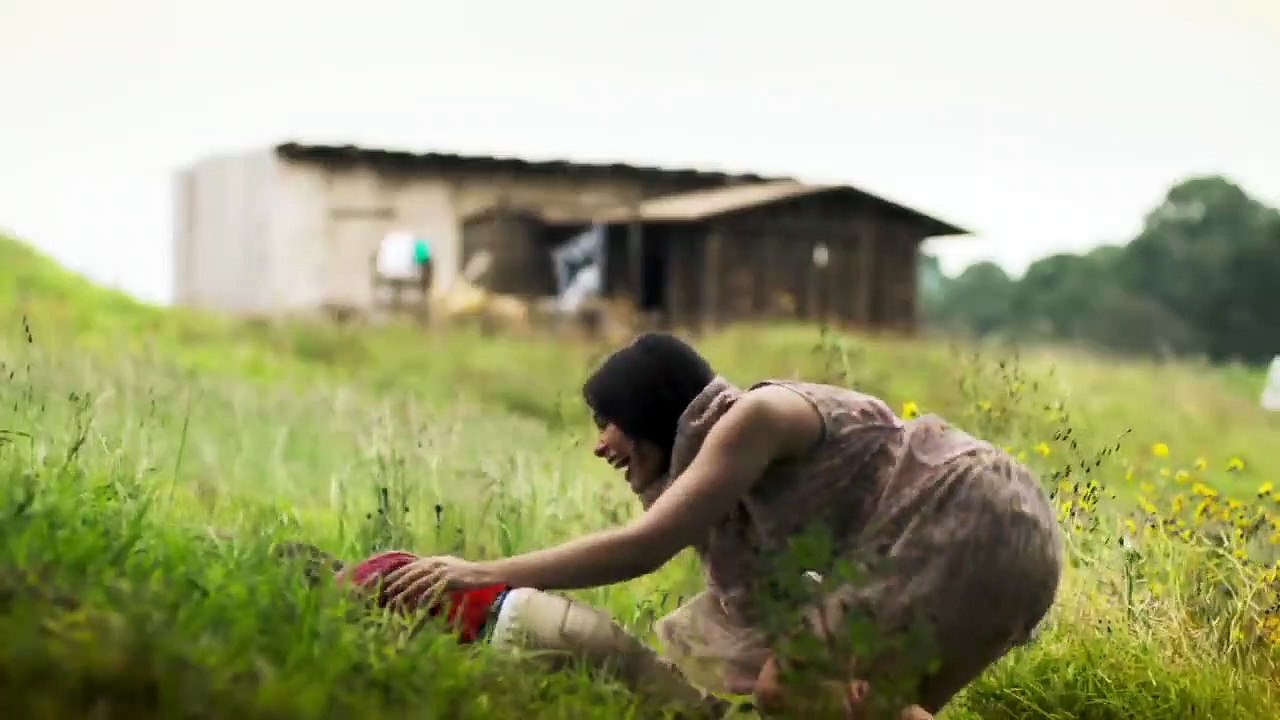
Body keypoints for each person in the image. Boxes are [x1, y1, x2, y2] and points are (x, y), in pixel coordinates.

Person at [382, 332, 1064, 718]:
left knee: (791, 687)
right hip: (1006, 541)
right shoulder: (741, 478)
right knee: (861, 708)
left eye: (607, 422)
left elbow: (647, 547)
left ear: (650, 408)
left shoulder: (754, 419)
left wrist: (481, 571)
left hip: (966, 511)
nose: (600, 445)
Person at [273, 543, 730, 717]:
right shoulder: (393, 560)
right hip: (533, 608)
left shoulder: (353, 593)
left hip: (505, 639)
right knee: (669, 692)